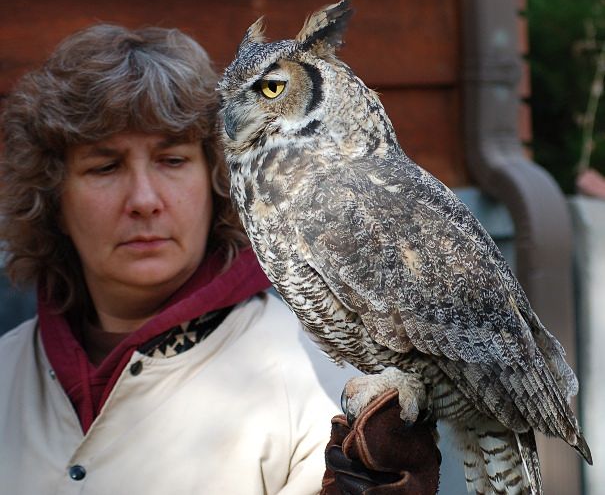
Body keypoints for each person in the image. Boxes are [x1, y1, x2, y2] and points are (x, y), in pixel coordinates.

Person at [0, 24, 440, 494]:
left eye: (172, 161)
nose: (144, 199)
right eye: (105, 167)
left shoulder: (320, 378)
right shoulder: (6, 372)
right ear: (51, 196)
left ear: (218, 180)